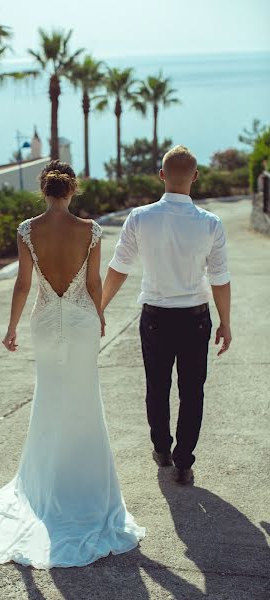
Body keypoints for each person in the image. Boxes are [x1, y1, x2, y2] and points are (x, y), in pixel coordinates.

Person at [0, 160, 145, 569]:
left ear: (44, 191)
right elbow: (94, 283)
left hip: (46, 323)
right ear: (72, 190)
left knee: (49, 401)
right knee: (85, 404)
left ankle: (47, 488)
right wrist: (98, 315)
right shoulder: (92, 230)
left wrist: (11, 327)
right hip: (83, 323)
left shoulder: (28, 230)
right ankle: (85, 491)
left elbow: (24, 283)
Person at [101, 145, 232, 485]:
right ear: (196, 176)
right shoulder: (210, 223)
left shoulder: (140, 218)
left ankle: (162, 449)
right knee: (192, 390)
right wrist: (226, 323)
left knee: (157, 386)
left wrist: (99, 307)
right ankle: (184, 461)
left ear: (162, 175)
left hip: (156, 317)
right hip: (196, 318)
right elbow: (220, 279)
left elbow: (119, 268)